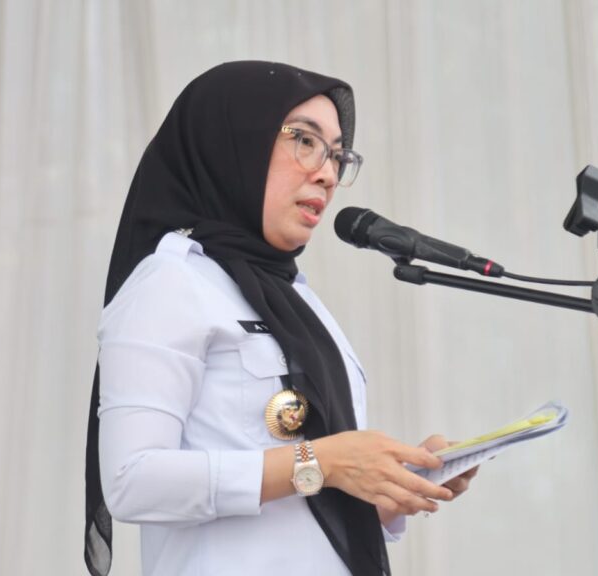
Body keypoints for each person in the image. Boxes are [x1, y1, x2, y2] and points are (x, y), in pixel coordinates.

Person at [83, 61, 478, 576]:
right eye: (305, 141)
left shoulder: (295, 298)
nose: (328, 174)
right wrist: (324, 462)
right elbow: (131, 482)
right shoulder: (170, 284)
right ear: (234, 145)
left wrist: (397, 480)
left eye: (337, 155)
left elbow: (301, 500)